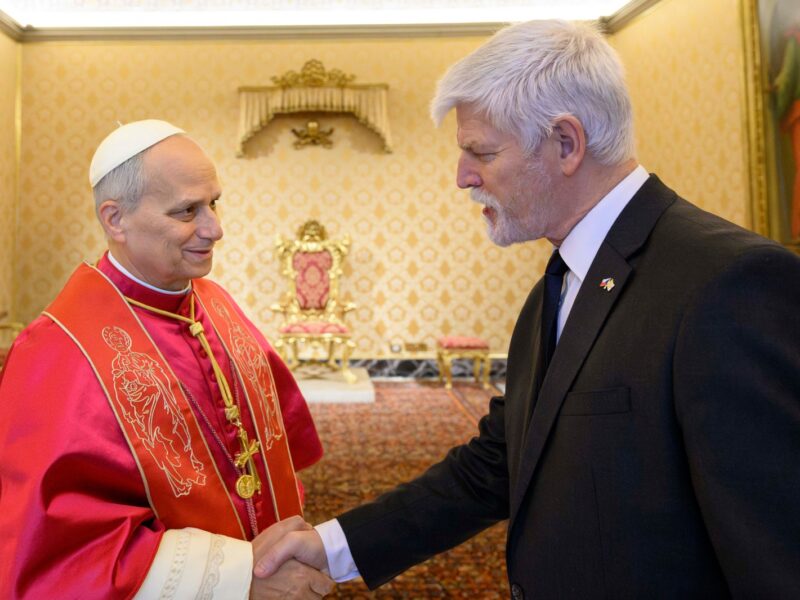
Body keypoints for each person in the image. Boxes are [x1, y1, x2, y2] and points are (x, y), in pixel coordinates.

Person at [253, 19, 800, 598]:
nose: (463, 178)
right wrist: (333, 545)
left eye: (480, 152)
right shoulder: (561, 282)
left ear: (566, 143)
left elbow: (776, 557)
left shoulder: (729, 284)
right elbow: (506, 459)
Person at [0, 120, 333, 599]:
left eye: (214, 203)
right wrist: (238, 579)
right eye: (187, 211)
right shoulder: (56, 353)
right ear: (115, 219)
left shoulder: (215, 303)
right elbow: (59, 550)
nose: (215, 229)